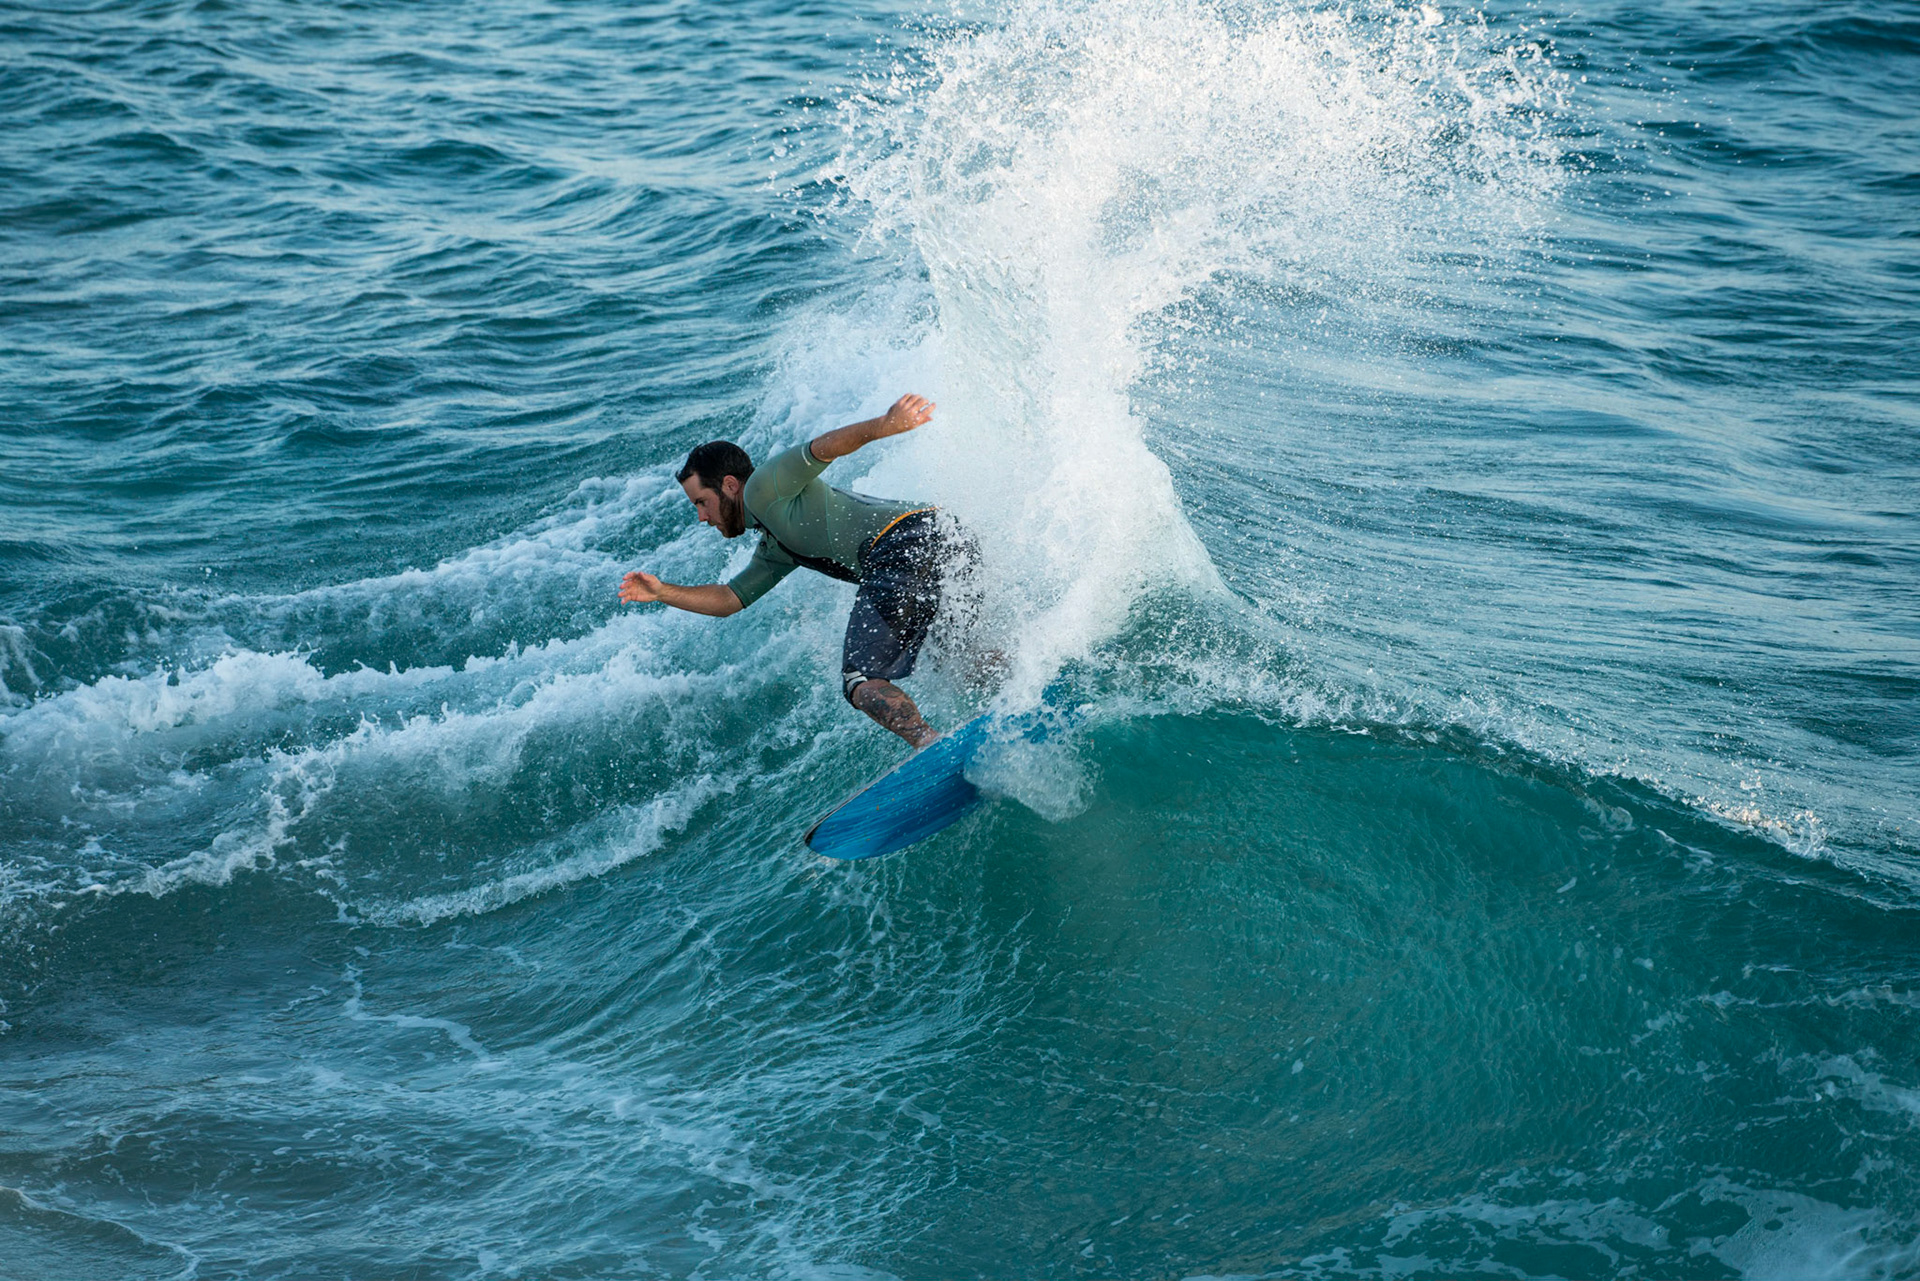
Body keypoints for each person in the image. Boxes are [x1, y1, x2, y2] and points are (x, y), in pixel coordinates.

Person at [618, 393, 981, 748]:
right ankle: (1020, 696)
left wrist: (886, 425)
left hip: (903, 544)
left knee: (861, 679)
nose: (701, 516)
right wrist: (662, 592)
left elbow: (822, 448)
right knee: (954, 652)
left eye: (702, 502)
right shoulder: (776, 545)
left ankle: (933, 745)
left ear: (729, 486)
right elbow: (730, 598)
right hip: (946, 534)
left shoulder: (763, 486)